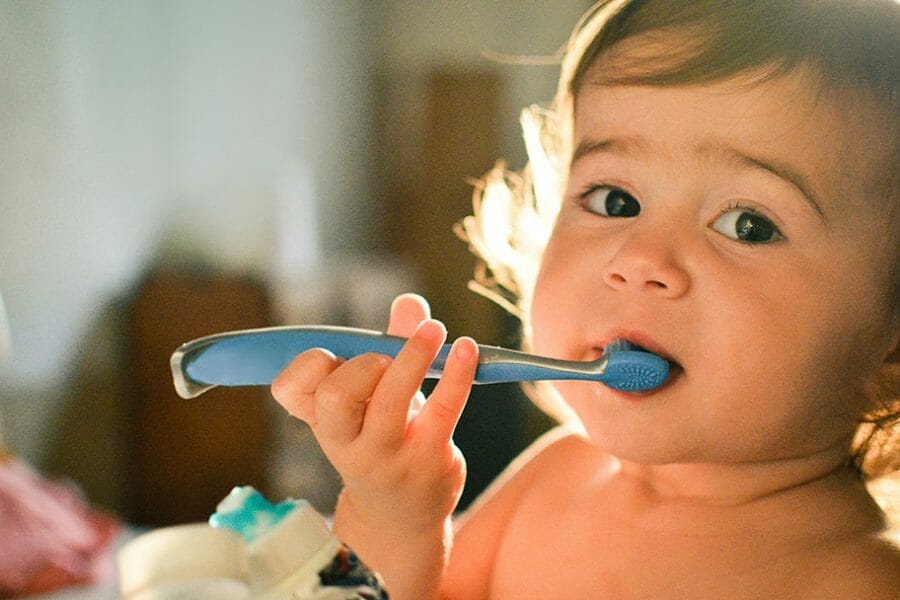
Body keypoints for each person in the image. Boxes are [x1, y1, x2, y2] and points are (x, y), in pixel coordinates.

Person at [271, 1, 900, 597]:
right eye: (613, 200)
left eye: (748, 225)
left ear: (889, 341)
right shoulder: (556, 478)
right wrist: (393, 517)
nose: (639, 259)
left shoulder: (856, 584)